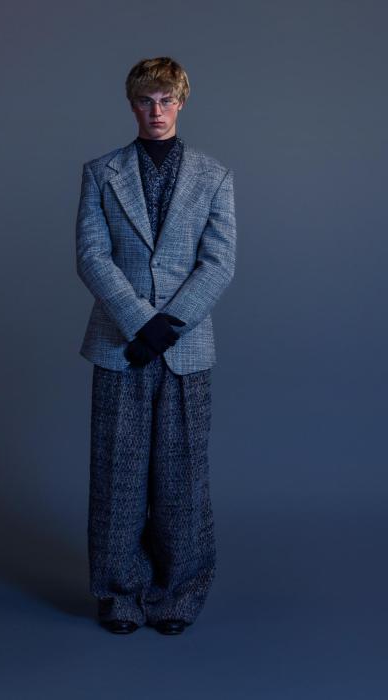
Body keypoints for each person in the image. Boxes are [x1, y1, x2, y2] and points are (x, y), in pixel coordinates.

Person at [75, 56, 237, 635]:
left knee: (181, 477)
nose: (157, 110)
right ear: (132, 105)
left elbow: (219, 262)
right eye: (146, 100)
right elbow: (91, 255)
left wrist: (168, 325)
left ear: (182, 102)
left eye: (166, 100)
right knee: (116, 475)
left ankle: (177, 592)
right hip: (119, 344)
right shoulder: (101, 172)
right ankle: (119, 591)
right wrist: (139, 323)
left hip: (184, 347)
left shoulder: (214, 176)